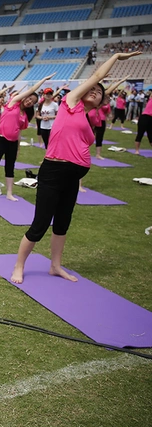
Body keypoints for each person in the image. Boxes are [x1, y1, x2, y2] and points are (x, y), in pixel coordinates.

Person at [11, 52, 140, 284]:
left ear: (102, 101)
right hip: (54, 171)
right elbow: (98, 76)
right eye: (93, 89)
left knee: (62, 223)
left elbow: (100, 100)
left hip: (73, 176)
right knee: (40, 224)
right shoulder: (70, 103)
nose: (95, 91)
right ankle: (19, 265)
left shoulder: (88, 120)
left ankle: (55, 266)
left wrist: (108, 90)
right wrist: (117, 56)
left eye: (100, 92)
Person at [0, 75, 54, 202]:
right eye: (29, 98)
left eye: (33, 102)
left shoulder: (25, 115)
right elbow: (31, 91)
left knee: (10, 167)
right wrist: (43, 81)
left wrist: (18, 148)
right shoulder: (13, 103)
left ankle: (9, 193)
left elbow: (18, 132)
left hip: (13, 143)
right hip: (0, 139)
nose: (30, 101)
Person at [89, 78, 126, 160]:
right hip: (91, 120)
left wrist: (109, 116)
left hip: (100, 120)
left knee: (99, 137)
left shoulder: (104, 103)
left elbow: (107, 112)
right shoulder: (95, 102)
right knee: (88, 137)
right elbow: (105, 91)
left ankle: (98, 154)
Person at [134, 86, 152, 154]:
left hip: (150, 118)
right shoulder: (151, 99)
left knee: (151, 135)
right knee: (140, 134)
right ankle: (137, 150)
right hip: (144, 117)